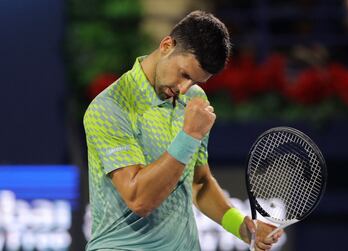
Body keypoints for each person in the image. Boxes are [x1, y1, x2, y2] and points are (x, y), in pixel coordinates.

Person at [83, 10, 282, 251]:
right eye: (184, 74)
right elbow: (139, 200)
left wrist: (242, 227)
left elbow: (198, 183)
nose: (185, 88)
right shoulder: (111, 107)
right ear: (167, 45)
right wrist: (189, 136)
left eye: (196, 82)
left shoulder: (194, 99)